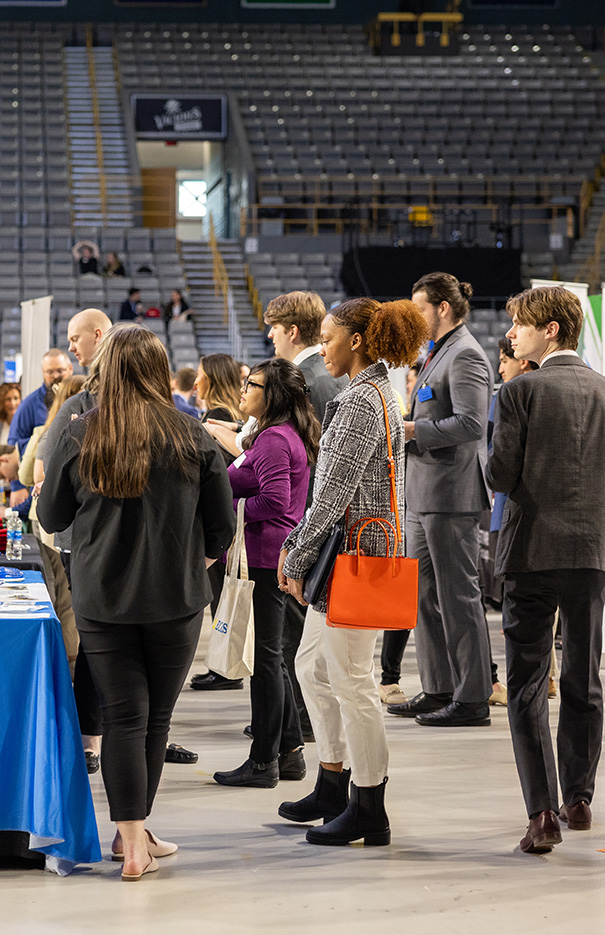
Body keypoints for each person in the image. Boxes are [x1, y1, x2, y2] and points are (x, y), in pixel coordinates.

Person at [37, 323, 236, 882]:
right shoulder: (193, 434)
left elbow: (51, 518)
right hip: (175, 599)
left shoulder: (80, 432)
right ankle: (136, 837)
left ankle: (130, 841)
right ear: (158, 369)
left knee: (123, 716)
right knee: (155, 721)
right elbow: (220, 531)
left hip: (101, 598)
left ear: (107, 369)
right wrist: (189, 560)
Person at [279, 297, 428, 846]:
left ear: (358, 340)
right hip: (362, 552)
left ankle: (369, 805)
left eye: (329, 335)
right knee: (313, 667)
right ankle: (333, 782)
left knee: (351, 680)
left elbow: (330, 496)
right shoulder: (378, 393)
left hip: (357, 558)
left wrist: (295, 554)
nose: (323, 347)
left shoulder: (360, 402)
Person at [486, 285, 605, 854]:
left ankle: (541, 815)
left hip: (531, 551)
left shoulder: (519, 390)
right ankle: (579, 799)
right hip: (592, 553)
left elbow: (499, 475)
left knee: (528, 685)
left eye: (521, 326)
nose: (512, 334)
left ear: (551, 329)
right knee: (584, 676)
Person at [387, 272, 494, 728]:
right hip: (424, 494)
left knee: (458, 598)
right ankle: (439, 688)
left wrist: (412, 431)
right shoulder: (438, 353)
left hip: (451, 496)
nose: (414, 317)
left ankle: (472, 698)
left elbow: (472, 424)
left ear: (442, 309)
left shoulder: (466, 354)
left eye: (419, 309)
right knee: (423, 599)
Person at [212, 357, 321, 788]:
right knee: (270, 658)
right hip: (263, 554)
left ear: (272, 393)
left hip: (263, 555)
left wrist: (228, 509)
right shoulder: (271, 435)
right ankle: (290, 754)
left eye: (251, 384)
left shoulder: (275, 439)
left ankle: (262, 762)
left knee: (265, 660)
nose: (242, 391)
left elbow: (275, 503)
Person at [263, 290, 347, 738]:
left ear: (292, 330)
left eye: (273, 330)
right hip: (318, 515)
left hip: (305, 515)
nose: (271, 338)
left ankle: (300, 720)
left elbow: (290, 456)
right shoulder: (324, 374)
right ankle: (301, 717)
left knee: (296, 631)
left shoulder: (306, 379)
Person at [8, 349, 73, 509]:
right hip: (37, 486)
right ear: (43, 373)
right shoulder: (29, 405)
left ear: (70, 369)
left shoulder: (80, 400)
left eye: (60, 370)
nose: (56, 375)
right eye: (50, 372)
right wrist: (17, 486)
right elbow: (13, 445)